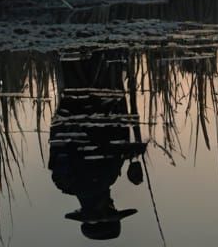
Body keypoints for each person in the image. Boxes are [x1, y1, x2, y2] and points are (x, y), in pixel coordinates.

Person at [48, 50, 147, 241]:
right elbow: (65, 142)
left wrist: (130, 151)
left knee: (103, 49)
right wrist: (128, 154)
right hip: (69, 100)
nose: (113, 203)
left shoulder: (104, 179)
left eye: (112, 208)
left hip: (100, 94)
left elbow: (100, 140)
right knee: (71, 52)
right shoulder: (62, 182)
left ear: (103, 210)